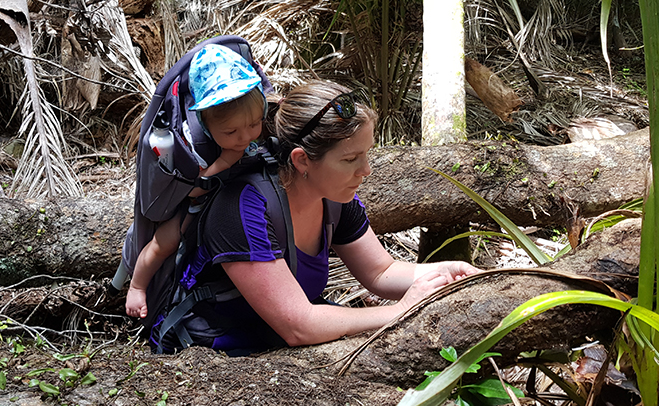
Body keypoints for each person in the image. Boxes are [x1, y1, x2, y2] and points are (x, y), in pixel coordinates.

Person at [158, 80, 480, 354]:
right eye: (351, 158)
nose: (365, 170)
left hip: (285, 335)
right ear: (302, 161)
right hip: (215, 347)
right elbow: (298, 326)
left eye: (366, 154)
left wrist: (444, 273)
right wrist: (399, 311)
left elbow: (381, 272)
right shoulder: (243, 208)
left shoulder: (335, 198)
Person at [125, 44, 267, 319]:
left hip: (239, 195)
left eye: (254, 124)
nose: (244, 137)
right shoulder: (194, 143)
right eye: (231, 131)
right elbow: (193, 190)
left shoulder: (248, 127)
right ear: (205, 123)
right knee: (163, 242)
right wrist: (225, 162)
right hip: (194, 205)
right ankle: (137, 285)